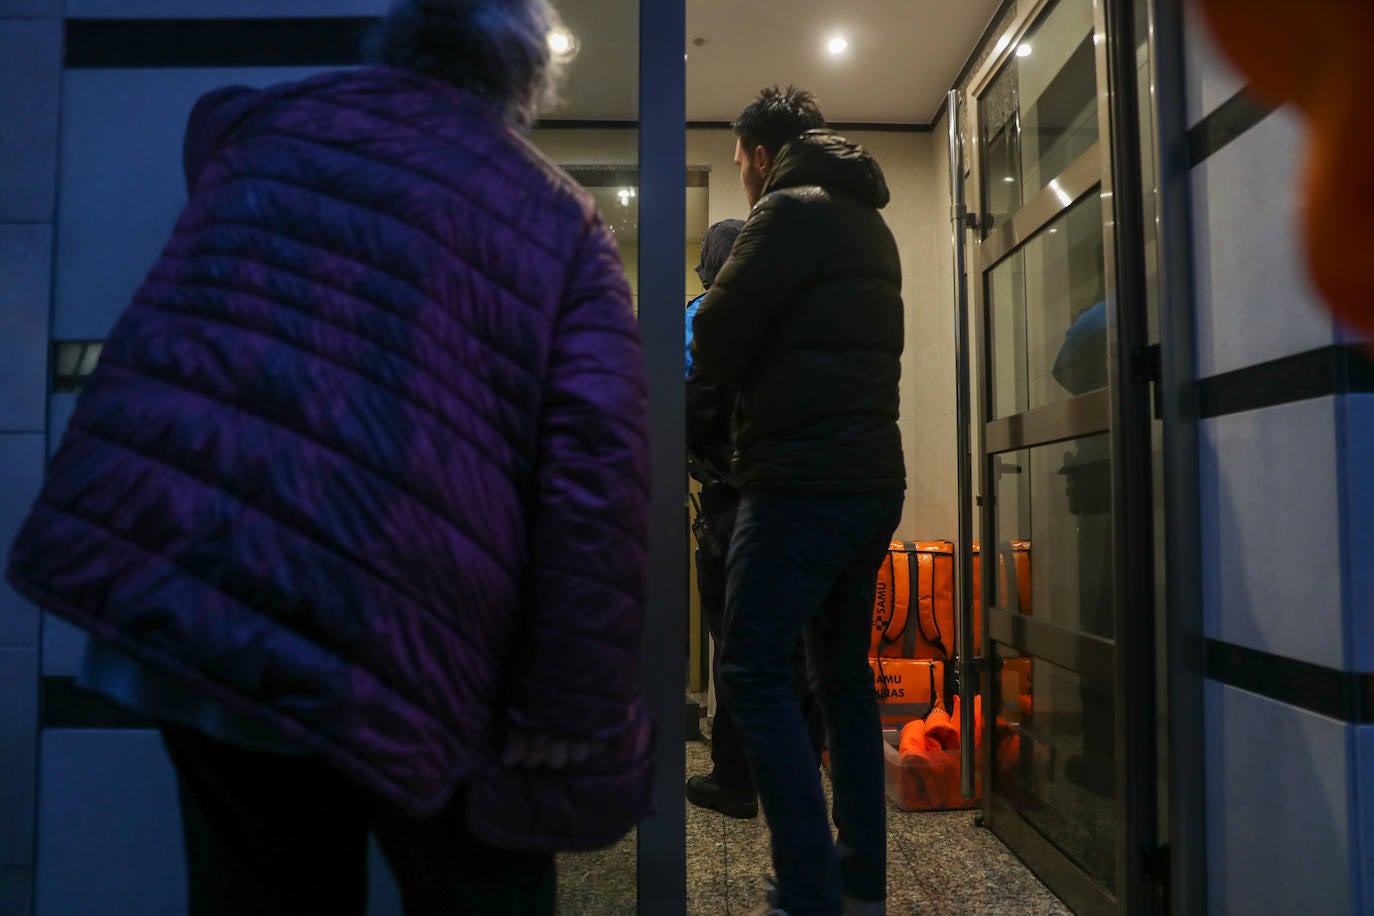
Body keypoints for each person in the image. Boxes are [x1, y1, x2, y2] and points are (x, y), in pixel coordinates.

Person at [5, 1, 654, 913]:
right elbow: (598, 477)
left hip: (207, 606)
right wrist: (567, 706)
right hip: (411, 633)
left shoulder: (266, 135)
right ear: (522, 82)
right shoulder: (559, 222)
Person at [691, 86, 906, 916]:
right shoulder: (869, 222)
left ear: (755, 153)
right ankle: (859, 886)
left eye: (740, 159)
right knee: (842, 677)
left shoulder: (787, 210)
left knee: (749, 668)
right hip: (869, 482)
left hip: (796, 484)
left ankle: (808, 890)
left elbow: (712, 341)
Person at [684, 220, 825, 820]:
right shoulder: (798, 317)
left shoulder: (704, 321)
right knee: (795, 645)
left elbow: (685, 412)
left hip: (733, 505)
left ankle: (737, 782)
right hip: (799, 503)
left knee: (738, 644)